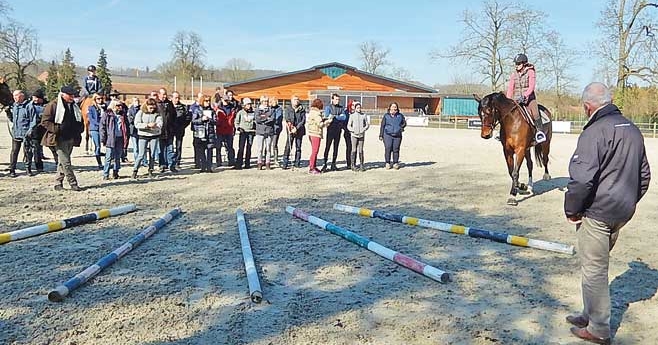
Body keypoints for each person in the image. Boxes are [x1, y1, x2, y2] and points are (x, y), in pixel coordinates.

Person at [564, 82, 651, 344]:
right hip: (623, 210)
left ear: (588, 106)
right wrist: (629, 201)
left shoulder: (594, 131)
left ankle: (599, 328)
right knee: (594, 265)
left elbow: (581, 180)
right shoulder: (633, 129)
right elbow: (644, 175)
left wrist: (572, 210)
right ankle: (588, 313)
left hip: (598, 212)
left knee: (594, 269)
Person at [40, 85, 85, 191]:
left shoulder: (74, 106)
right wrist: (57, 129)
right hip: (59, 138)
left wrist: (80, 128)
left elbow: (79, 119)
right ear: (63, 94)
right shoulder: (53, 105)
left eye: (73, 95)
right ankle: (73, 183)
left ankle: (58, 183)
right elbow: (45, 121)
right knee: (66, 162)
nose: (72, 97)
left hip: (71, 137)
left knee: (62, 162)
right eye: (70, 95)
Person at [506, 53, 545, 144]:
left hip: (529, 98)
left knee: (535, 113)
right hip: (516, 99)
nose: (516, 66)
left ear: (524, 64)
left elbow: (531, 87)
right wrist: (508, 100)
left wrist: (524, 96)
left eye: (518, 64)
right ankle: (503, 132)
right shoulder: (513, 75)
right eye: (516, 64)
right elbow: (510, 88)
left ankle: (540, 133)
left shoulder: (531, 72)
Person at [7, 90, 36, 177]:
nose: (15, 98)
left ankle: (28, 169)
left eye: (17, 96)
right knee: (14, 151)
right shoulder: (14, 106)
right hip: (16, 133)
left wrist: (30, 131)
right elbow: (13, 120)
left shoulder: (29, 106)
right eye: (14, 96)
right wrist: (8, 113)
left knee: (27, 151)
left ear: (22, 96)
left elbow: (33, 120)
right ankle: (12, 169)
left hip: (26, 133)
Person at [132, 98, 162, 179]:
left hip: (154, 135)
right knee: (141, 154)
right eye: (150, 108)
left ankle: (150, 170)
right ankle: (135, 170)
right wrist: (147, 125)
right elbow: (137, 124)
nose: (152, 109)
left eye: (153, 107)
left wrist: (155, 126)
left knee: (152, 154)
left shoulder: (157, 113)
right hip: (143, 135)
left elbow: (160, 124)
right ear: (146, 106)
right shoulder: (141, 112)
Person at [100, 101, 128, 180]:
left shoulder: (123, 115)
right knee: (108, 157)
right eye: (118, 106)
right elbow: (102, 126)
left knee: (118, 157)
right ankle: (106, 174)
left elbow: (127, 127)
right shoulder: (107, 114)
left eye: (121, 106)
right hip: (110, 138)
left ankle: (116, 172)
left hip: (120, 138)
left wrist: (126, 138)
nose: (120, 107)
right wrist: (103, 138)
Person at [191, 95, 217, 172]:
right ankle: (203, 167)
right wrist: (201, 119)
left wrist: (210, 120)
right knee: (201, 151)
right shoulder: (197, 110)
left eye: (209, 100)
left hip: (210, 133)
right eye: (206, 101)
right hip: (200, 133)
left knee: (210, 150)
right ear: (202, 101)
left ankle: (209, 167)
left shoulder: (212, 111)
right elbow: (193, 121)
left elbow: (216, 121)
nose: (208, 102)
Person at [321, 93, 346, 171]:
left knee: (336, 147)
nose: (337, 101)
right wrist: (338, 117)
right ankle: (325, 163)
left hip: (338, 130)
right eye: (336, 99)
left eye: (338, 99)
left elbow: (344, 117)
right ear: (332, 99)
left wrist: (335, 116)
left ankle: (333, 164)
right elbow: (327, 117)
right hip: (330, 130)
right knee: (327, 147)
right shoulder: (328, 107)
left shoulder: (341, 108)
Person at [155, 88, 177, 173]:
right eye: (162, 94)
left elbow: (174, 115)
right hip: (160, 131)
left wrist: (173, 126)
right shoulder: (156, 104)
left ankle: (171, 165)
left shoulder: (169, 104)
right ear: (159, 94)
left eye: (165, 94)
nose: (164, 96)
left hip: (169, 130)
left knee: (170, 149)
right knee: (161, 149)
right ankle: (162, 165)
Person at [379, 102, 406, 170]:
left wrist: (401, 128)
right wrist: (381, 135)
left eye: (395, 107)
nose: (394, 108)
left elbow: (404, 123)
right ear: (390, 107)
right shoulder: (386, 116)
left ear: (397, 108)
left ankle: (395, 163)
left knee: (396, 149)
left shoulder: (400, 116)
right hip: (387, 135)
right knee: (388, 148)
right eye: (392, 107)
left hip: (397, 135)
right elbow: (382, 125)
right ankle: (387, 162)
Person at [306, 98, 330, 175]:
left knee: (314, 151)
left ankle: (314, 166)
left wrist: (323, 119)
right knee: (315, 151)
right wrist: (327, 122)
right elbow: (320, 124)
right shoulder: (316, 113)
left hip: (311, 133)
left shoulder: (312, 112)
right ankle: (312, 168)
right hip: (315, 133)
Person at [282, 95, 306, 170]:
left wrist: (297, 128)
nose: (296, 101)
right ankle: (285, 163)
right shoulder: (288, 109)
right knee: (288, 146)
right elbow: (287, 118)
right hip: (290, 130)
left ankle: (297, 162)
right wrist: (291, 127)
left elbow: (303, 120)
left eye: (297, 99)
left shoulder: (302, 109)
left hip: (299, 130)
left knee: (298, 147)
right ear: (291, 100)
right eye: (295, 99)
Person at [347, 101, 369, 172]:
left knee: (361, 150)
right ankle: (353, 164)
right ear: (355, 108)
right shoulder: (352, 115)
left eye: (360, 108)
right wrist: (352, 130)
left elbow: (367, 124)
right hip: (354, 135)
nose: (359, 109)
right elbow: (349, 125)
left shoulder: (364, 115)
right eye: (357, 108)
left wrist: (364, 129)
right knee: (354, 150)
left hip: (361, 135)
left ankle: (361, 165)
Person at [215, 94, 237, 167]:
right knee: (218, 147)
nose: (226, 102)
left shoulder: (232, 108)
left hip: (229, 130)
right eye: (225, 100)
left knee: (230, 147)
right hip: (220, 130)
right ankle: (218, 161)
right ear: (222, 100)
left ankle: (231, 161)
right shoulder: (217, 109)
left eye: (227, 100)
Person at [254, 95, 275, 170]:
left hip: (269, 131)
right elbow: (257, 119)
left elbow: (272, 119)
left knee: (268, 148)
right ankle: (259, 163)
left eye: (266, 101)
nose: (265, 103)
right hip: (260, 131)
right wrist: (266, 118)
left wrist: (263, 118)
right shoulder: (257, 110)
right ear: (261, 101)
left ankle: (267, 163)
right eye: (264, 101)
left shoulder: (271, 110)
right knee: (260, 149)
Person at [234, 97, 256, 170]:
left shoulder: (253, 113)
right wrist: (238, 128)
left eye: (249, 104)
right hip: (243, 132)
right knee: (241, 148)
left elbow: (255, 121)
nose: (249, 106)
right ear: (244, 105)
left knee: (249, 148)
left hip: (251, 132)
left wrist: (255, 128)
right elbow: (236, 122)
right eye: (247, 104)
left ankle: (247, 163)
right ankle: (238, 164)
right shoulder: (240, 112)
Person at [171, 91, 190, 169]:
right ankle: (170, 162)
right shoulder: (169, 106)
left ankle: (177, 162)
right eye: (175, 98)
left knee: (178, 147)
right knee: (170, 147)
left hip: (179, 129)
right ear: (172, 98)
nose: (177, 99)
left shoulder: (183, 107)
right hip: (170, 130)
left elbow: (188, 118)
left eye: (178, 97)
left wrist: (183, 126)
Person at [87, 93, 105, 170]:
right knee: (97, 146)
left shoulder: (104, 107)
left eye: (101, 98)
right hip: (95, 128)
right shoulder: (91, 108)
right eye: (98, 99)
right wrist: (99, 124)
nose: (100, 100)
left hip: (103, 128)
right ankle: (99, 163)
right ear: (95, 99)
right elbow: (91, 119)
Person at [127, 97, 146, 165]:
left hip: (141, 130)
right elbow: (130, 120)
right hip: (133, 131)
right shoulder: (130, 110)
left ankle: (144, 161)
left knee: (143, 147)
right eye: (135, 101)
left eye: (137, 100)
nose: (136, 102)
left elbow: (144, 118)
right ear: (132, 102)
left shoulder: (142, 109)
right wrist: (137, 120)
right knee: (136, 147)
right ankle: (137, 161)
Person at [269, 96, 284, 167]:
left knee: (274, 144)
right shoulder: (269, 108)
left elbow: (277, 118)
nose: (273, 102)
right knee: (267, 144)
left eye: (275, 101)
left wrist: (270, 119)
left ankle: (275, 159)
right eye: (272, 101)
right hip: (268, 128)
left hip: (276, 129)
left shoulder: (279, 109)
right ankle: (267, 159)